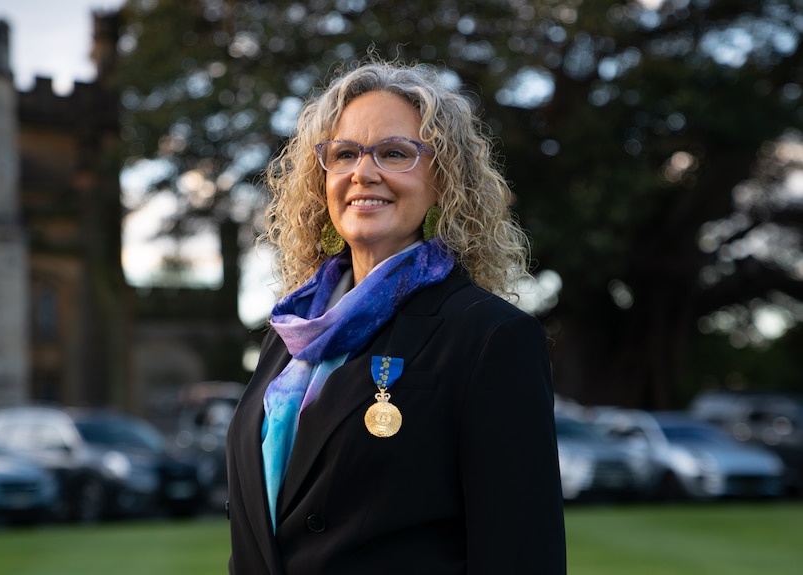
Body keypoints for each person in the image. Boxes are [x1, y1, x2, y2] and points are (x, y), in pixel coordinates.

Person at [226, 58, 566, 574]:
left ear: (443, 181)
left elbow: (522, 554)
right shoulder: (289, 334)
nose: (364, 172)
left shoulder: (487, 335)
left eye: (393, 153)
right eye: (344, 154)